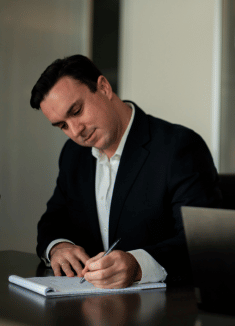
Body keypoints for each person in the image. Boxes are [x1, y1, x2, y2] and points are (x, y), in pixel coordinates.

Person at [30, 55, 220, 288]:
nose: (76, 131)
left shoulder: (179, 147)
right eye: (62, 125)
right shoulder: (73, 154)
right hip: (88, 307)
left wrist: (138, 265)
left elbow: (200, 241)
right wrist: (59, 246)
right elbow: (53, 220)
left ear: (104, 87)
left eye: (77, 111)